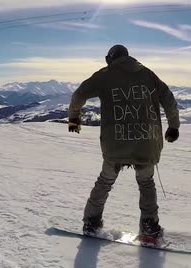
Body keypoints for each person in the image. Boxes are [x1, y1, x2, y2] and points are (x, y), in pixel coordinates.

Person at [68, 45, 180, 243]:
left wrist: (74, 118)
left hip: (115, 143)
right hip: (147, 142)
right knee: (146, 183)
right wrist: (173, 126)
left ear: (110, 58)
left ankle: (91, 223)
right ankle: (149, 229)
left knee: (104, 182)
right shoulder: (148, 74)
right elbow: (169, 100)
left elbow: (78, 95)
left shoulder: (104, 75)